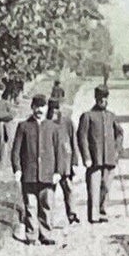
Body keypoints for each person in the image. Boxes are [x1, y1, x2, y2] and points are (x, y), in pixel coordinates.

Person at [12, 94, 59, 245]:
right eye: (36, 107)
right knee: (31, 205)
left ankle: (46, 234)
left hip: (47, 173)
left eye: (42, 107)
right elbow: (16, 151)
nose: (39, 110)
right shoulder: (24, 126)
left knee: (47, 204)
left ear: (46, 108)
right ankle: (31, 235)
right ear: (32, 108)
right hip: (29, 174)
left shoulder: (53, 127)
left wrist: (58, 171)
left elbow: (59, 152)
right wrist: (17, 169)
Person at [77, 84, 124, 223]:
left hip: (109, 158)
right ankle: (94, 215)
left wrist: (116, 151)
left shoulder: (111, 116)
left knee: (106, 187)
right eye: (100, 98)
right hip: (94, 159)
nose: (103, 100)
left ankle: (103, 211)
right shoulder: (88, 116)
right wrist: (86, 156)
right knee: (94, 187)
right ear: (95, 98)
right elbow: (82, 137)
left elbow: (120, 133)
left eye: (105, 98)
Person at [48, 96, 80, 225]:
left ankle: (71, 214)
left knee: (69, 189)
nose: (54, 112)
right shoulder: (45, 123)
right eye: (52, 110)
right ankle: (48, 219)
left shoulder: (67, 122)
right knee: (49, 192)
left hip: (65, 162)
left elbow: (73, 142)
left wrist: (74, 162)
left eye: (56, 109)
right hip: (50, 164)